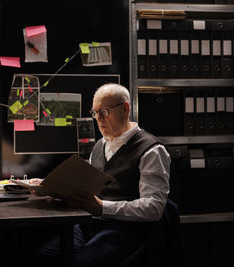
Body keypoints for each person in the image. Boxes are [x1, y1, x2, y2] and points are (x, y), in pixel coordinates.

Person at [33, 83, 171, 267]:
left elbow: (153, 207)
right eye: (95, 112)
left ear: (125, 108)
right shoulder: (99, 146)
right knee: (44, 256)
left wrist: (102, 208)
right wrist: (50, 185)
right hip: (90, 224)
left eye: (104, 112)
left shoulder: (152, 150)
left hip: (124, 230)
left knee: (79, 263)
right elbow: (83, 183)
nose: (98, 119)